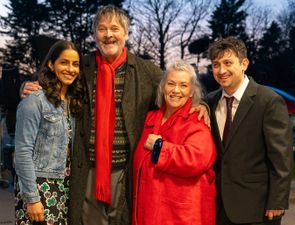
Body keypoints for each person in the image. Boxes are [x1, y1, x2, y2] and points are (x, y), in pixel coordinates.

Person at [21, 5, 209, 225]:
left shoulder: (145, 70)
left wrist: (202, 103)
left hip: (124, 171)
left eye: (114, 28)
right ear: (95, 34)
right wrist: (26, 85)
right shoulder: (83, 66)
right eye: (102, 29)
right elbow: (54, 77)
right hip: (89, 169)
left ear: (126, 33)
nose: (108, 35)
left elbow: (177, 86)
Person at [206, 36, 293, 225]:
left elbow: (281, 157)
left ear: (244, 63)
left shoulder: (268, 101)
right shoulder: (208, 102)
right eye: (215, 64)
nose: (221, 70)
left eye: (228, 62)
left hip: (258, 208)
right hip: (218, 207)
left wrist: (277, 201)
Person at [132, 60, 217, 225]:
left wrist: (159, 147)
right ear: (163, 87)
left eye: (183, 85)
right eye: (171, 84)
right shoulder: (149, 118)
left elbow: (196, 159)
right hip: (148, 213)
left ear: (192, 91)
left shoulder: (197, 121)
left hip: (180, 216)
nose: (176, 90)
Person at [14, 40, 83, 224]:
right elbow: (22, 153)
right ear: (51, 65)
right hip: (40, 187)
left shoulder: (74, 103)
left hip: (65, 188)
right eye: (64, 62)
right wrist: (32, 198)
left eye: (75, 64)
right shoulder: (34, 101)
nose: (71, 69)